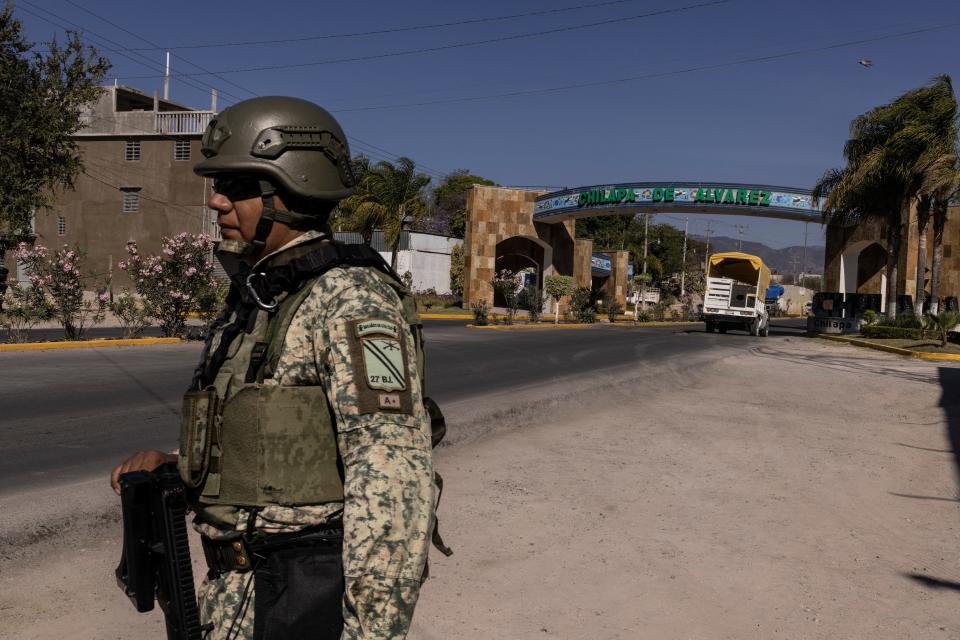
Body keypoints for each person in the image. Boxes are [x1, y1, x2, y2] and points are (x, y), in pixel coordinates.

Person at [110, 96, 440, 639]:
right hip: (239, 594)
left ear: (293, 189)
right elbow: (278, 445)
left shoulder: (351, 299)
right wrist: (178, 465)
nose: (216, 201)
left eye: (238, 187)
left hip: (298, 595)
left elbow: (393, 485)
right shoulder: (265, 293)